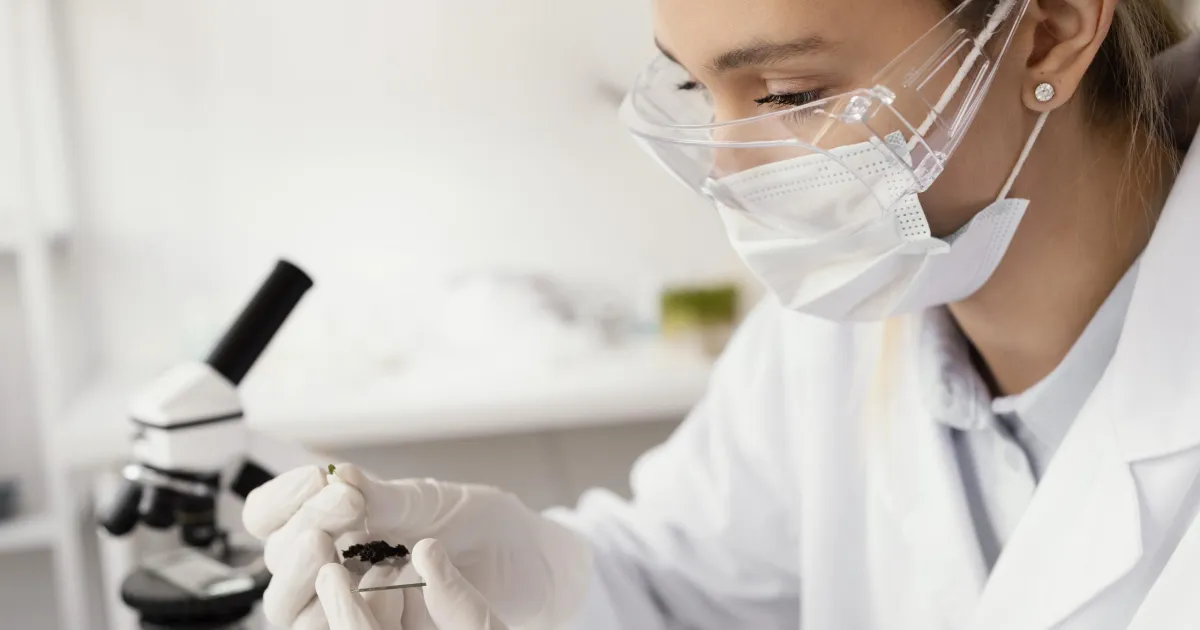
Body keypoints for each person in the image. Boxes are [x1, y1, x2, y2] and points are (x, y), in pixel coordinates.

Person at [243, 0, 1200, 628]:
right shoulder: (836, 320)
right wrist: (536, 579)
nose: (728, 170)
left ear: (1048, 31)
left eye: (790, 93)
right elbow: (688, 583)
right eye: (700, 91)